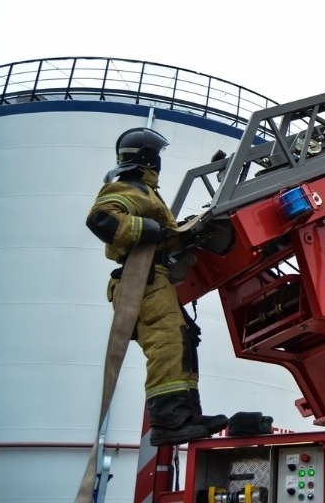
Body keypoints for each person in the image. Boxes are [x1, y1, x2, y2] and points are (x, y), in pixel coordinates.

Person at [86, 127, 228, 446]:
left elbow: (162, 234)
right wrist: (146, 228)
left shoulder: (147, 192)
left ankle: (186, 415)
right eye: (158, 155)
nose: (160, 162)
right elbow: (101, 220)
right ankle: (168, 421)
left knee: (182, 339)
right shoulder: (127, 188)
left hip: (154, 279)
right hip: (141, 280)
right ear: (148, 156)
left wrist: (188, 228)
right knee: (166, 341)